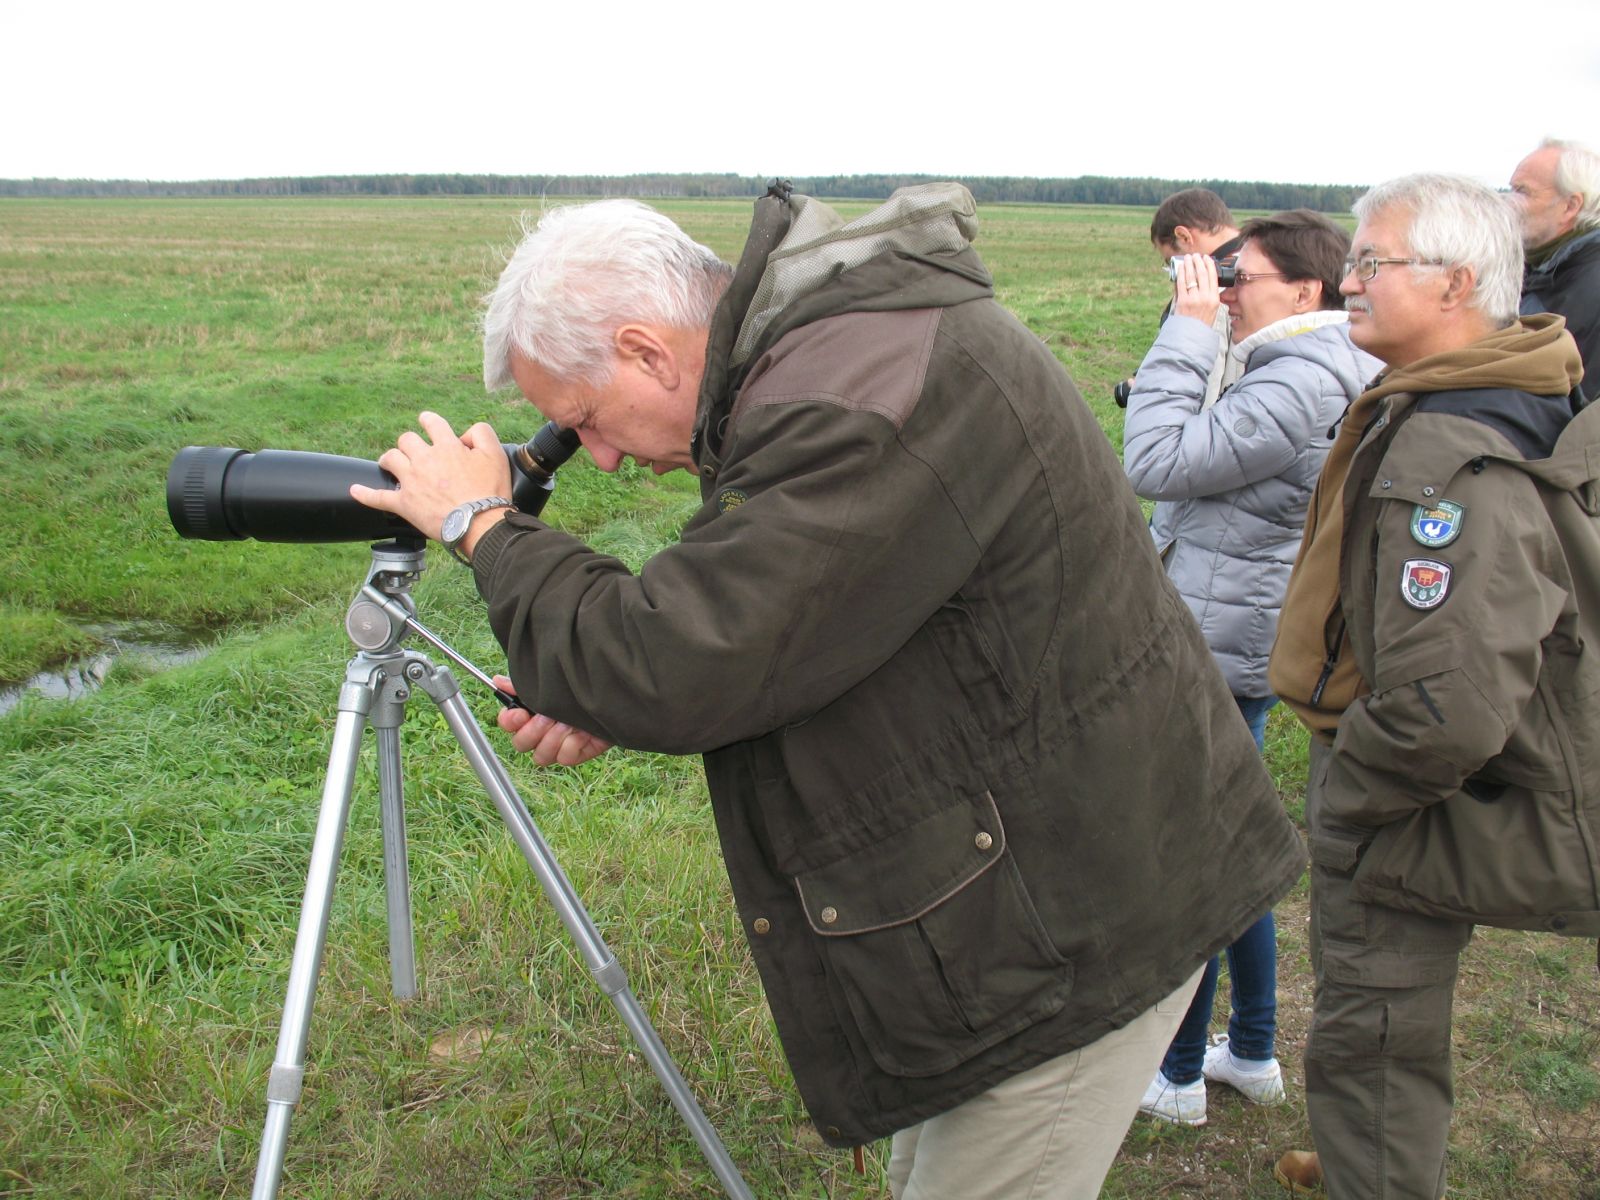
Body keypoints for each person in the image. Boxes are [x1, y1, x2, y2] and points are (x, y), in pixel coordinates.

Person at [353, 183, 1306, 1198]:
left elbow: (684, 658)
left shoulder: (856, 395)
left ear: (645, 350)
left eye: (583, 421)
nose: (603, 457)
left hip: (1079, 919)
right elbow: (798, 625)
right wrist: (609, 686)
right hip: (1049, 874)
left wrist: (482, 528)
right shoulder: (836, 354)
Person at [1266, 173, 1599, 1198]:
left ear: (1455, 282)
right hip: (1459, 770)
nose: (1348, 280)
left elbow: (1443, 705)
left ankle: (1372, 1169)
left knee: (1372, 1038)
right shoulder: (1520, 381)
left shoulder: (1447, 450)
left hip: (1416, 789)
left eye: (1372, 261)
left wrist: (1350, 807)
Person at [1123, 210, 1381, 1127]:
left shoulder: (1305, 375)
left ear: (1305, 292)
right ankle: (1254, 1049)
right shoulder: (1322, 361)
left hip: (1221, 642)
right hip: (1240, 629)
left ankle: (1183, 1072)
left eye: (1243, 281)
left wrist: (1188, 335)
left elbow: (1155, 460)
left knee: (1196, 860)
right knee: (1230, 847)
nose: (1225, 295)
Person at [1113, 188, 1244, 411]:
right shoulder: (1262, 272)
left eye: (1171, 262)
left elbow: (1206, 388)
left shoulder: (1212, 289)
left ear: (1184, 236)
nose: (1173, 273)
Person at [1512, 137, 1600, 399]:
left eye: (1522, 191)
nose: (1508, 203)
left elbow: (1579, 401)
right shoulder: (1538, 269)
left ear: (1570, 206)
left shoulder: (1590, 283)